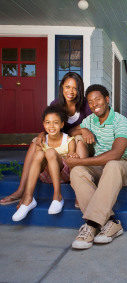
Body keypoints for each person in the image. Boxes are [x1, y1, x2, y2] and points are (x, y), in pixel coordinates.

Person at [0, 72, 94, 207]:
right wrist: (41, 134)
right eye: (67, 87)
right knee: (35, 142)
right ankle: (21, 190)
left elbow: (90, 127)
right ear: (62, 87)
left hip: (78, 147)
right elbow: (52, 127)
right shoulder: (56, 104)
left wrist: (79, 130)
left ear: (80, 90)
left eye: (75, 88)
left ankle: (80, 191)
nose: (71, 91)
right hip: (59, 144)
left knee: (78, 138)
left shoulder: (85, 105)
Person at [65, 84, 127, 250]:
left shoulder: (120, 121)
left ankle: (91, 224)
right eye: (90, 102)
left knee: (111, 164)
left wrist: (80, 161)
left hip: (123, 166)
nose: (93, 104)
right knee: (77, 172)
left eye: (97, 99)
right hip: (100, 167)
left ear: (107, 99)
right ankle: (112, 224)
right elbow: (70, 132)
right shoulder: (90, 120)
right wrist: (83, 130)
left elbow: (116, 155)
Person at [12, 105, 76, 221]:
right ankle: (28, 198)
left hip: (62, 175)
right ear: (44, 124)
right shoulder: (42, 140)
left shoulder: (69, 140)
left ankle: (57, 196)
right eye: (48, 122)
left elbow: (71, 162)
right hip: (45, 176)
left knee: (50, 152)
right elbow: (38, 161)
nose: (51, 126)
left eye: (55, 122)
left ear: (62, 124)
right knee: (39, 153)